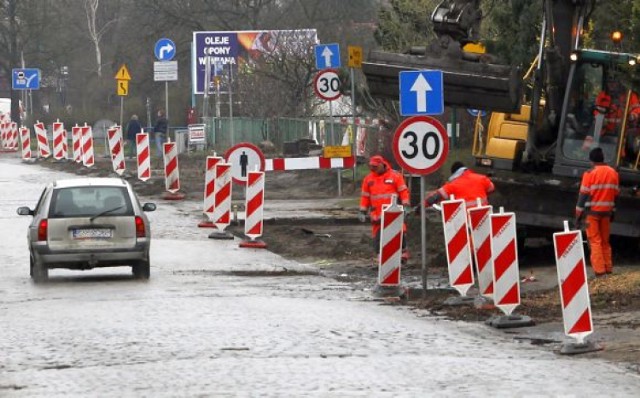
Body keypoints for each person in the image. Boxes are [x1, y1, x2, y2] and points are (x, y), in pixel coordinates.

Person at [575, 147, 620, 277]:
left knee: (595, 241)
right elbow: (616, 195)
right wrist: (613, 211)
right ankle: (608, 268)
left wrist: (578, 216)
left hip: (592, 214)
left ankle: (600, 272)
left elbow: (582, 196)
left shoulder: (589, 174)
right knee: (605, 241)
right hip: (607, 213)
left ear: (591, 160)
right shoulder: (614, 173)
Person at [358, 155, 411, 264]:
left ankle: (403, 255)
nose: (373, 169)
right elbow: (365, 196)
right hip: (377, 215)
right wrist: (362, 210)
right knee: (378, 237)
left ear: (382, 164)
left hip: (393, 213)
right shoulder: (368, 179)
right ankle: (381, 258)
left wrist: (405, 204)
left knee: (399, 233)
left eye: (375, 166)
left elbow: (403, 191)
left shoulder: (395, 176)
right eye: (371, 167)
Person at [421, 161, 494, 210]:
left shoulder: (452, 185)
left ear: (454, 174)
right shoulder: (481, 178)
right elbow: (491, 188)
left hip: (464, 220)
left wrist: (421, 206)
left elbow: (435, 197)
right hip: (484, 217)